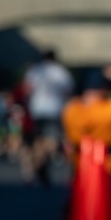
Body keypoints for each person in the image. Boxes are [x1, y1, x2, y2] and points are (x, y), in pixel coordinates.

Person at [23, 50, 74, 186]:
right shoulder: (60, 72)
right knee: (52, 141)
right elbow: (68, 91)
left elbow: (27, 89)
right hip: (54, 109)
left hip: (36, 109)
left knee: (38, 141)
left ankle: (37, 166)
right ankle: (42, 164)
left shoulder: (35, 70)